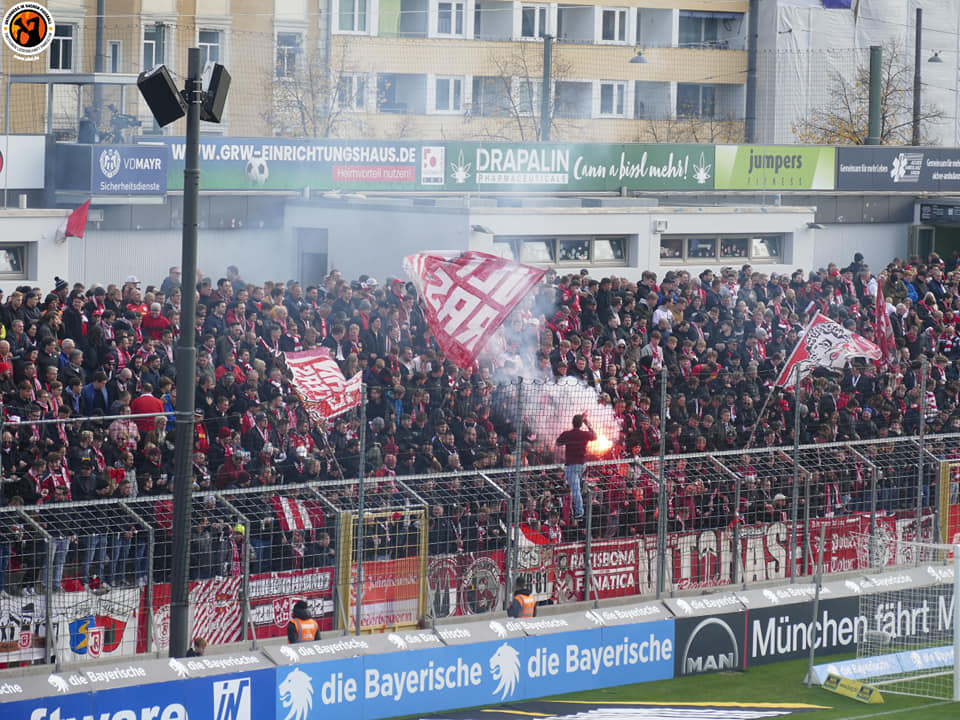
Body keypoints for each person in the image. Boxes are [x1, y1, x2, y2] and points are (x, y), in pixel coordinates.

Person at [555, 413, 596, 520]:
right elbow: (595, 436)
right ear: (581, 424)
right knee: (577, 481)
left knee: (575, 490)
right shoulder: (585, 434)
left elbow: (557, 443)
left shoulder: (567, 434)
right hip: (582, 465)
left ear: (572, 422)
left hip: (571, 465)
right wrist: (588, 424)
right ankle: (582, 482)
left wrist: (567, 442)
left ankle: (579, 512)